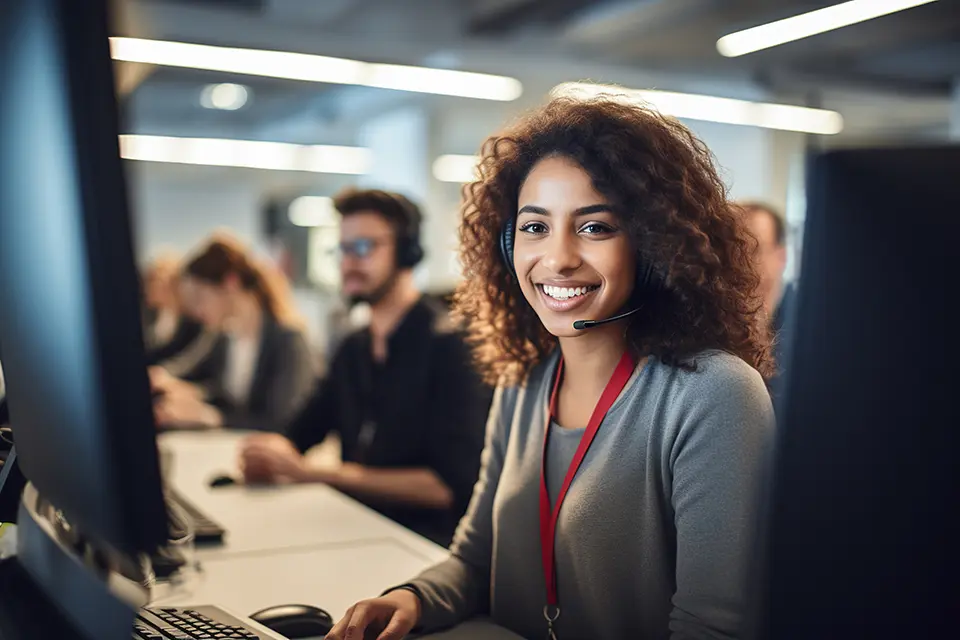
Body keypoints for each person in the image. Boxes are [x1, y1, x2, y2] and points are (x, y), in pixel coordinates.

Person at [325, 98, 776, 640]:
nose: (558, 258)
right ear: (508, 242)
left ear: (654, 246)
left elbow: (713, 629)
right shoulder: (525, 380)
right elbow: (474, 561)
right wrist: (412, 598)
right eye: (536, 227)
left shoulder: (713, 395)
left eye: (595, 228)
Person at [239, 188, 490, 546]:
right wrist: (269, 453)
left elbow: (448, 487)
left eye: (362, 248)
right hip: (352, 530)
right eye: (341, 249)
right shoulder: (353, 347)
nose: (348, 263)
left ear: (407, 251)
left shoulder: (451, 346)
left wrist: (314, 474)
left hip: (421, 546)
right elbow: (301, 432)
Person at [151, 235, 315, 433]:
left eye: (200, 297)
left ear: (230, 283)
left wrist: (210, 416)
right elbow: (205, 382)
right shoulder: (225, 338)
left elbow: (280, 422)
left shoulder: (288, 341)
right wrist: (183, 391)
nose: (196, 311)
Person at [741, 200, 796, 399]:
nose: (741, 264)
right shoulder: (718, 327)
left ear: (781, 257)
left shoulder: (807, 329)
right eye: (735, 250)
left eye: (754, 250)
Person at [141, 253, 219, 377]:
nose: (149, 288)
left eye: (156, 281)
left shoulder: (194, 320)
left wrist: (161, 373)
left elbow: (193, 360)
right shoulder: (154, 317)